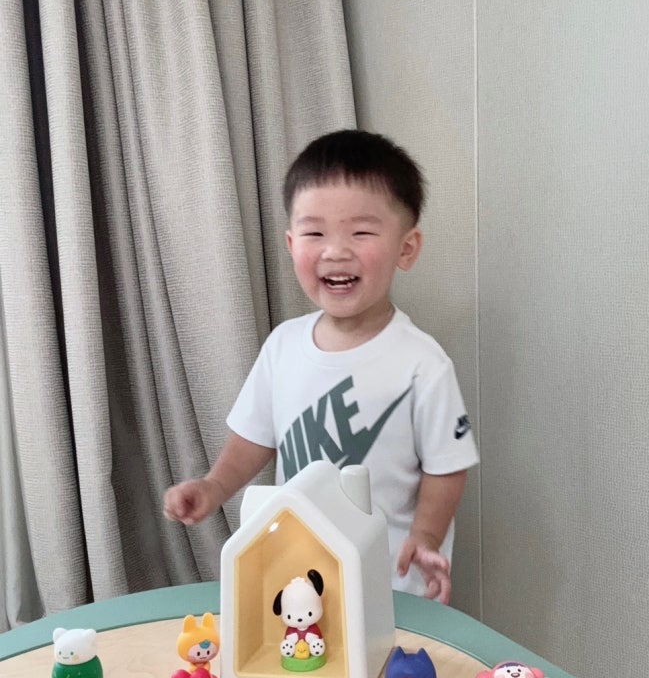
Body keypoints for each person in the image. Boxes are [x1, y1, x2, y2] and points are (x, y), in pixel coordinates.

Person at [163, 129, 479, 602]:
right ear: (292, 244)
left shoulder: (422, 363)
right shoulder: (283, 346)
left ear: (406, 248)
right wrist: (214, 486)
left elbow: (446, 467)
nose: (335, 250)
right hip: (298, 579)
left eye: (361, 232)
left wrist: (426, 537)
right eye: (315, 233)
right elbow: (255, 437)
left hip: (390, 582)